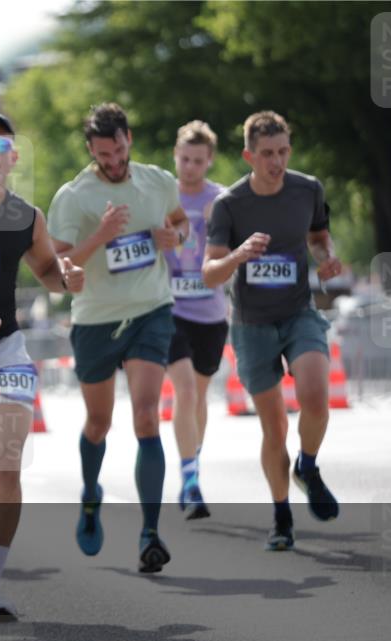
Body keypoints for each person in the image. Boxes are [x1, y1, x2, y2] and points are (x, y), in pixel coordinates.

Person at [0, 110, 84, 622]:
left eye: (0, 147)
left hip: (5, 349)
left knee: (6, 465)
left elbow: (48, 270)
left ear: (14, 157)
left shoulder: (27, 215)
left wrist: (66, 276)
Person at [48, 102, 189, 574]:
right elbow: (60, 264)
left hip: (151, 309)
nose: (113, 161)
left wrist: (175, 237)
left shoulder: (157, 181)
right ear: (91, 149)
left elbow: (179, 221)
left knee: (147, 416)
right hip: (95, 319)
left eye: (119, 150)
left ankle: (150, 532)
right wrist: (104, 235)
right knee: (99, 423)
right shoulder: (74, 196)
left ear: (129, 138)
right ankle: (91, 495)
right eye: (103, 154)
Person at [202, 110, 341, 551]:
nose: (276, 162)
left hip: (299, 312)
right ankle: (282, 516)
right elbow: (209, 273)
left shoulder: (308, 189)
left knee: (316, 399)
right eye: (266, 154)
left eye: (282, 151)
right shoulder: (230, 204)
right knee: (274, 425)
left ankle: (309, 465)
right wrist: (239, 255)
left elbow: (319, 235)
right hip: (253, 324)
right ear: (249, 156)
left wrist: (325, 256)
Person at [163, 120, 228, 520]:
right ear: (175, 156)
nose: (190, 167)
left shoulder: (221, 199)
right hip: (169, 310)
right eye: (185, 159)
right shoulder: (160, 195)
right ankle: (190, 480)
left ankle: (193, 462)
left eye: (198, 161)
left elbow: (235, 251)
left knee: (199, 396)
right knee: (185, 390)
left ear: (210, 161)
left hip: (211, 312)